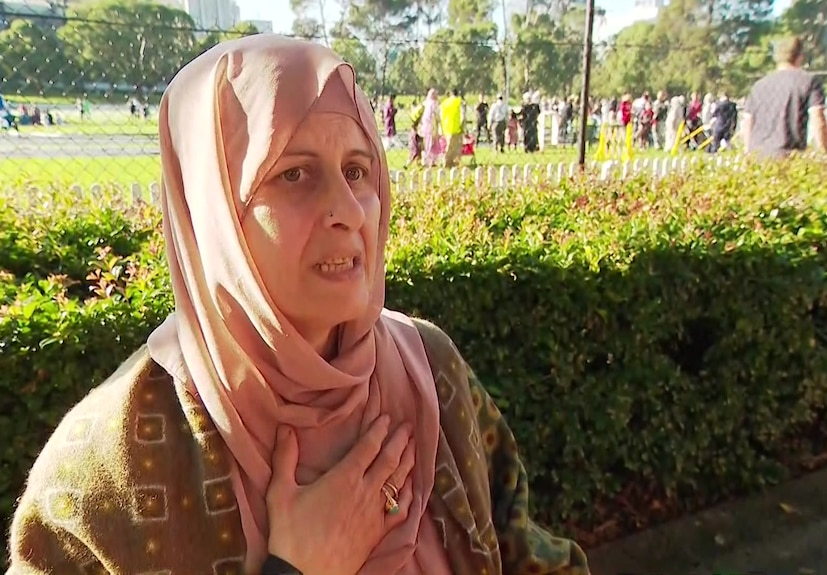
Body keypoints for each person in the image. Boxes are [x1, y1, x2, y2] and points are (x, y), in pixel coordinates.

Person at [6, 35, 591, 575]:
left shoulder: (431, 371)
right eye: (294, 174)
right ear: (214, 215)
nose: (348, 210)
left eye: (357, 170)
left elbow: (527, 553)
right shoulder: (106, 471)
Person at [741, 36, 827, 158]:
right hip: (789, 155)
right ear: (800, 56)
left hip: (758, 156)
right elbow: (817, 118)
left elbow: (747, 122)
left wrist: (747, 152)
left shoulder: (759, 85)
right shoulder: (809, 81)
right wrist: (823, 153)